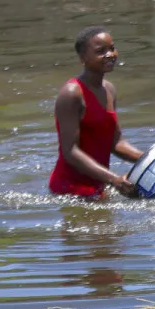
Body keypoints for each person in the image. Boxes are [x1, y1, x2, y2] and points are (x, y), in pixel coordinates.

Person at [49, 26, 146, 198]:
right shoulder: (72, 93)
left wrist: (149, 159)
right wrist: (114, 179)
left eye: (112, 48)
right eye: (100, 51)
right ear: (83, 58)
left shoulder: (109, 89)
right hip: (70, 189)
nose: (110, 54)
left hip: (99, 186)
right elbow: (70, 151)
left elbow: (116, 142)